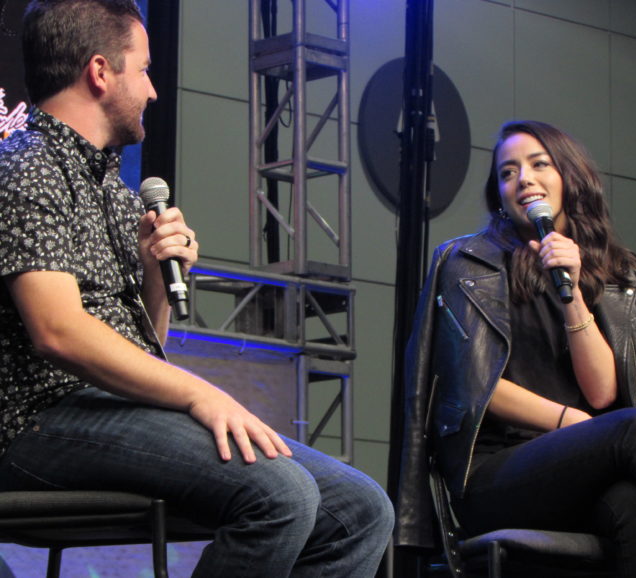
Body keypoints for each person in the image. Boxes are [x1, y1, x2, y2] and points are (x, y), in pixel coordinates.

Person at [0, 1, 393, 576]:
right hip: (36, 424)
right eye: (144, 69)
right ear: (101, 72)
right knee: (278, 494)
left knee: (360, 508)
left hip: (108, 410)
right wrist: (197, 392)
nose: (153, 90)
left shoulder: (114, 191)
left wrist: (155, 278)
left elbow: (140, 349)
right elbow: (58, 333)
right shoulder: (26, 165)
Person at [394, 119, 636, 578]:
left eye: (538, 164)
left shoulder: (619, 277)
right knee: (634, 429)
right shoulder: (467, 264)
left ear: (571, 177)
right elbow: (470, 387)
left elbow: (603, 393)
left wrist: (572, 297)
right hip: (492, 472)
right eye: (508, 172)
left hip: (581, 470)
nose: (523, 178)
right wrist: (568, 421)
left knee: (634, 506)